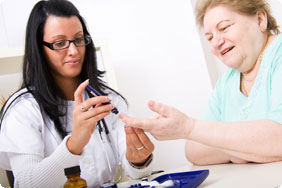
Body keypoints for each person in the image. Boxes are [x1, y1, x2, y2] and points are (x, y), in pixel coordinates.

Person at [0, 0, 154, 187]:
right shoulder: (22, 110)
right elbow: (25, 184)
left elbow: (135, 173)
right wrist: (73, 144)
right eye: (60, 43)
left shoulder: (109, 100)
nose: (73, 51)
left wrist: (138, 160)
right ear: (38, 49)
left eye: (79, 39)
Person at [119, 0, 282, 166]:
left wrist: (190, 128)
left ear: (260, 19)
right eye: (209, 37)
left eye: (224, 27)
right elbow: (193, 151)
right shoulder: (227, 82)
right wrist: (247, 148)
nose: (216, 42)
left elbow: (279, 140)